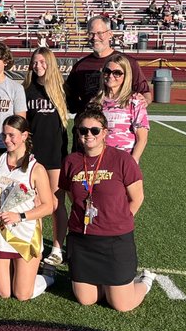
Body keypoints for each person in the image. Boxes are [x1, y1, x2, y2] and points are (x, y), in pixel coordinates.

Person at [62, 109, 153, 310]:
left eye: (95, 130)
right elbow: (72, 196)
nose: (88, 135)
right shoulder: (71, 161)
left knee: (122, 305)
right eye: (83, 130)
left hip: (115, 240)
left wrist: (118, 220)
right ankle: (109, 283)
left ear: (105, 133)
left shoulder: (122, 159)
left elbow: (137, 198)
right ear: (77, 133)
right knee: (86, 299)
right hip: (82, 239)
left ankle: (145, 282)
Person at [0, 115, 54, 301]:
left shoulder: (35, 168)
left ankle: (47, 277)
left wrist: (20, 216)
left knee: (22, 295)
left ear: (24, 136)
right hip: (0, 233)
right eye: (4, 135)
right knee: (4, 293)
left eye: (12, 135)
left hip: (24, 233)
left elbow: (48, 206)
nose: (6, 140)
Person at [65, 16, 151, 148]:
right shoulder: (80, 66)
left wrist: (143, 100)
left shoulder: (128, 63)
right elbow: (70, 98)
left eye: (99, 33)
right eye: (91, 33)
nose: (95, 37)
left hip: (117, 137)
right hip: (86, 136)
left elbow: (145, 93)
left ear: (110, 34)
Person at [23, 47, 70, 266]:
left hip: (55, 155)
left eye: (42, 62)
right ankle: (37, 243)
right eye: (35, 62)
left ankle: (58, 248)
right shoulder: (26, 89)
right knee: (35, 202)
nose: (38, 66)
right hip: (32, 155)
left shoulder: (62, 90)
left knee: (55, 203)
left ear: (50, 64)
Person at [91, 53, 149, 162]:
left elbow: (142, 139)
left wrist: (133, 162)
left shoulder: (135, 101)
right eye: (107, 71)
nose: (111, 76)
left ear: (125, 76)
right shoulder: (95, 102)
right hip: (98, 160)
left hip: (123, 161)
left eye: (117, 73)